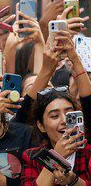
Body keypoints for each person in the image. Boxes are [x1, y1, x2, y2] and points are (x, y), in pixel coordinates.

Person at [20, 30, 91, 185]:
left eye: (69, 113)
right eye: (54, 116)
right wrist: (56, 157)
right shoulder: (31, 157)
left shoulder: (88, 153)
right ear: (41, 126)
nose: (64, 120)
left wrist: (73, 181)